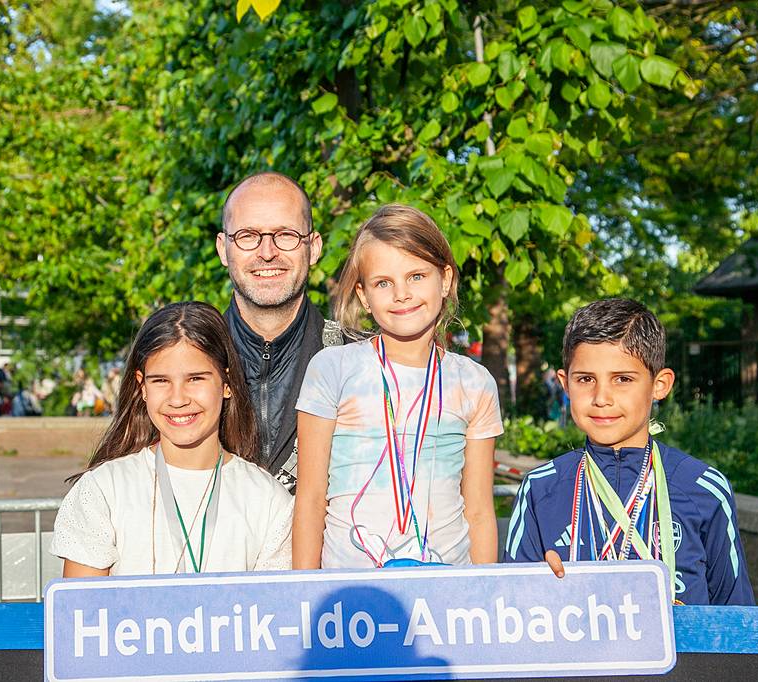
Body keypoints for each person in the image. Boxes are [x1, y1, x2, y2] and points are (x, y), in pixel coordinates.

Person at [503, 298, 755, 605]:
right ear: (565, 384)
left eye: (622, 379)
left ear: (660, 384)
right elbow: (511, 611)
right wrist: (539, 593)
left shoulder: (704, 489)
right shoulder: (540, 489)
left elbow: (737, 615)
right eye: (585, 379)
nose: (601, 398)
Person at [292, 204, 503, 569]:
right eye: (383, 283)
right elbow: (310, 499)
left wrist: (482, 592)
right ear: (364, 297)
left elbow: (480, 510)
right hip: (349, 587)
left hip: (447, 585)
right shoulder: (331, 369)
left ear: (445, 280)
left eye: (416, 276)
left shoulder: (475, 382)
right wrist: (305, 592)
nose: (401, 294)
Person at [50, 302, 293, 577]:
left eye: (195, 379)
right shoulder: (103, 490)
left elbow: (272, 601)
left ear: (226, 384)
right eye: (161, 381)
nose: (178, 399)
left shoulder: (268, 500)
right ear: (142, 387)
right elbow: (84, 602)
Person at [216, 171, 341, 493]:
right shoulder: (185, 362)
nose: (267, 251)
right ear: (223, 248)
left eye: (286, 235)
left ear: (314, 247)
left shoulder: (361, 361)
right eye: (248, 235)